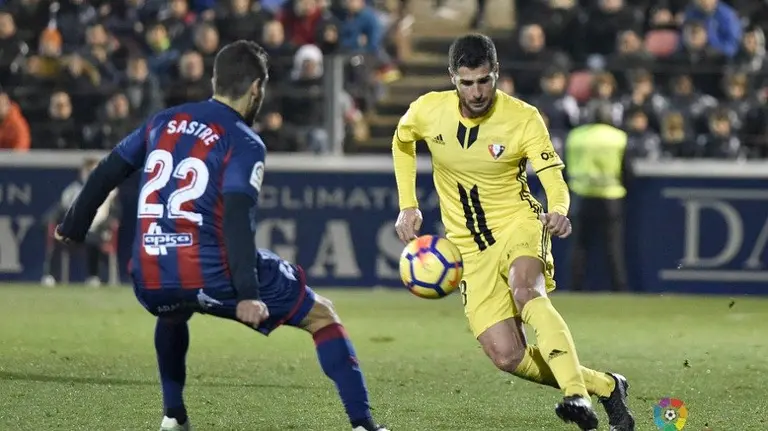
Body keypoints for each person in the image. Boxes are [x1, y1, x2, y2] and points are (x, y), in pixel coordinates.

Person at [54, 40, 388, 431]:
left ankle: (173, 415)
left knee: (173, 311)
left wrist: (73, 225)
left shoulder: (163, 121)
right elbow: (237, 217)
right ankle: (363, 424)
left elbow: (107, 170)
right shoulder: (243, 139)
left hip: (149, 274)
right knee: (322, 315)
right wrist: (247, 292)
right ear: (256, 89)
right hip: (213, 272)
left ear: (215, 80)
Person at [391, 34, 635, 431]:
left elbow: (553, 178)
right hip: (468, 249)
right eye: (467, 83)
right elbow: (402, 142)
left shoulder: (523, 117)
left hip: (518, 223)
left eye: (484, 81)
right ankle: (607, 386)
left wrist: (558, 210)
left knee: (526, 291)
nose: (476, 92)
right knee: (507, 355)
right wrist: (408, 203)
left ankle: (575, 394)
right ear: (453, 78)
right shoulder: (428, 110)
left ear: (496, 74)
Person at [566, 101, 633, 293]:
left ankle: (574, 287)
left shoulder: (575, 136)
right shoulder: (618, 137)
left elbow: (565, 167)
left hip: (581, 195)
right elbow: (627, 171)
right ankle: (619, 288)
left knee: (579, 247)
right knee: (613, 248)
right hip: (610, 197)